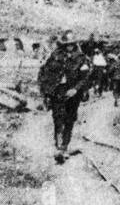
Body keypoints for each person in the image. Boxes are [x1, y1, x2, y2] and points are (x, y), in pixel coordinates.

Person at [37, 33, 93, 163]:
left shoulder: (82, 58)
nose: (69, 47)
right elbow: (44, 72)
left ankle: (65, 146)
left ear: (75, 45)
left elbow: (85, 77)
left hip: (73, 92)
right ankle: (58, 147)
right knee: (57, 117)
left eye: (72, 44)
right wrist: (45, 91)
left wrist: (75, 89)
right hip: (57, 91)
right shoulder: (55, 55)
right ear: (64, 44)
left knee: (69, 118)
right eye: (67, 44)